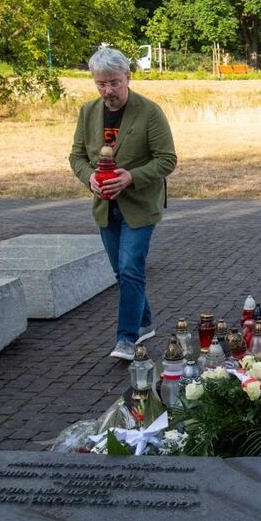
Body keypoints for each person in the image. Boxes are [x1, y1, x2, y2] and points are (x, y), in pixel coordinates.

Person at [70, 47, 177, 360]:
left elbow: (167, 160)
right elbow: (76, 156)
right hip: (104, 206)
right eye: (101, 84)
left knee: (131, 268)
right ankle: (143, 321)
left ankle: (127, 339)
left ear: (128, 78)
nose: (108, 91)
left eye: (114, 83)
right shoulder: (88, 113)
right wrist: (88, 176)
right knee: (121, 272)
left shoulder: (150, 112)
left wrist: (130, 177)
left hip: (140, 205)